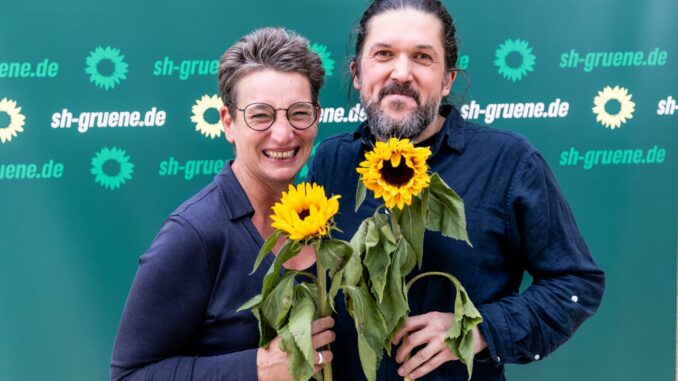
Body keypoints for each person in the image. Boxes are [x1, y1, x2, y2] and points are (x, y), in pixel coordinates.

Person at [307, 1, 605, 380]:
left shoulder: (509, 163)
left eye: (422, 57)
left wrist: (477, 330)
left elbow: (575, 285)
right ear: (356, 73)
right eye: (383, 54)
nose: (402, 73)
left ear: (448, 78)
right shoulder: (331, 161)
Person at [111, 27, 336, 381]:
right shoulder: (195, 233)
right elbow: (130, 375)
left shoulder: (323, 217)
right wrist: (258, 368)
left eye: (299, 112)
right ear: (228, 123)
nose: (283, 133)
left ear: (316, 117)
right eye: (261, 115)